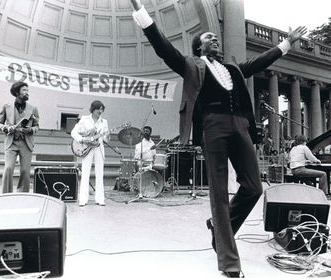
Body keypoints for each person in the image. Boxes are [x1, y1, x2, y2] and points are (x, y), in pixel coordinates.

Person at [130, 0, 306, 277]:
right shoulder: (190, 64)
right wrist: (140, 12)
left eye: (215, 37)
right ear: (199, 46)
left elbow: (260, 62)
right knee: (220, 193)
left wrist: (286, 44)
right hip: (213, 126)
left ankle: (219, 227)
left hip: (241, 126)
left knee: (254, 187)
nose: (214, 39)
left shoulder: (233, 68)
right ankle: (229, 263)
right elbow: (162, 47)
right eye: (209, 38)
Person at [0, 81, 39, 193]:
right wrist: (5, 128)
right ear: (17, 92)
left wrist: (30, 130)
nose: (27, 92)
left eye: (27, 90)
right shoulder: (6, 106)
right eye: (24, 90)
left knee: (25, 171)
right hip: (11, 142)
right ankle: (6, 194)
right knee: (8, 168)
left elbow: (37, 126)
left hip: (26, 143)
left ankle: (22, 194)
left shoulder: (33, 108)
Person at [71, 100, 109, 206]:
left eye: (102, 109)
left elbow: (106, 139)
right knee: (85, 173)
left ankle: (100, 199)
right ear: (93, 109)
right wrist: (83, 140)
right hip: (87, 147)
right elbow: (74, 132)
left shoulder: (104, 122)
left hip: (99, 148)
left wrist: (107, 136)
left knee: (100, 173)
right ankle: (83, 199)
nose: (100, 111)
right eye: (98, 109)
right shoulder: (84, 119)